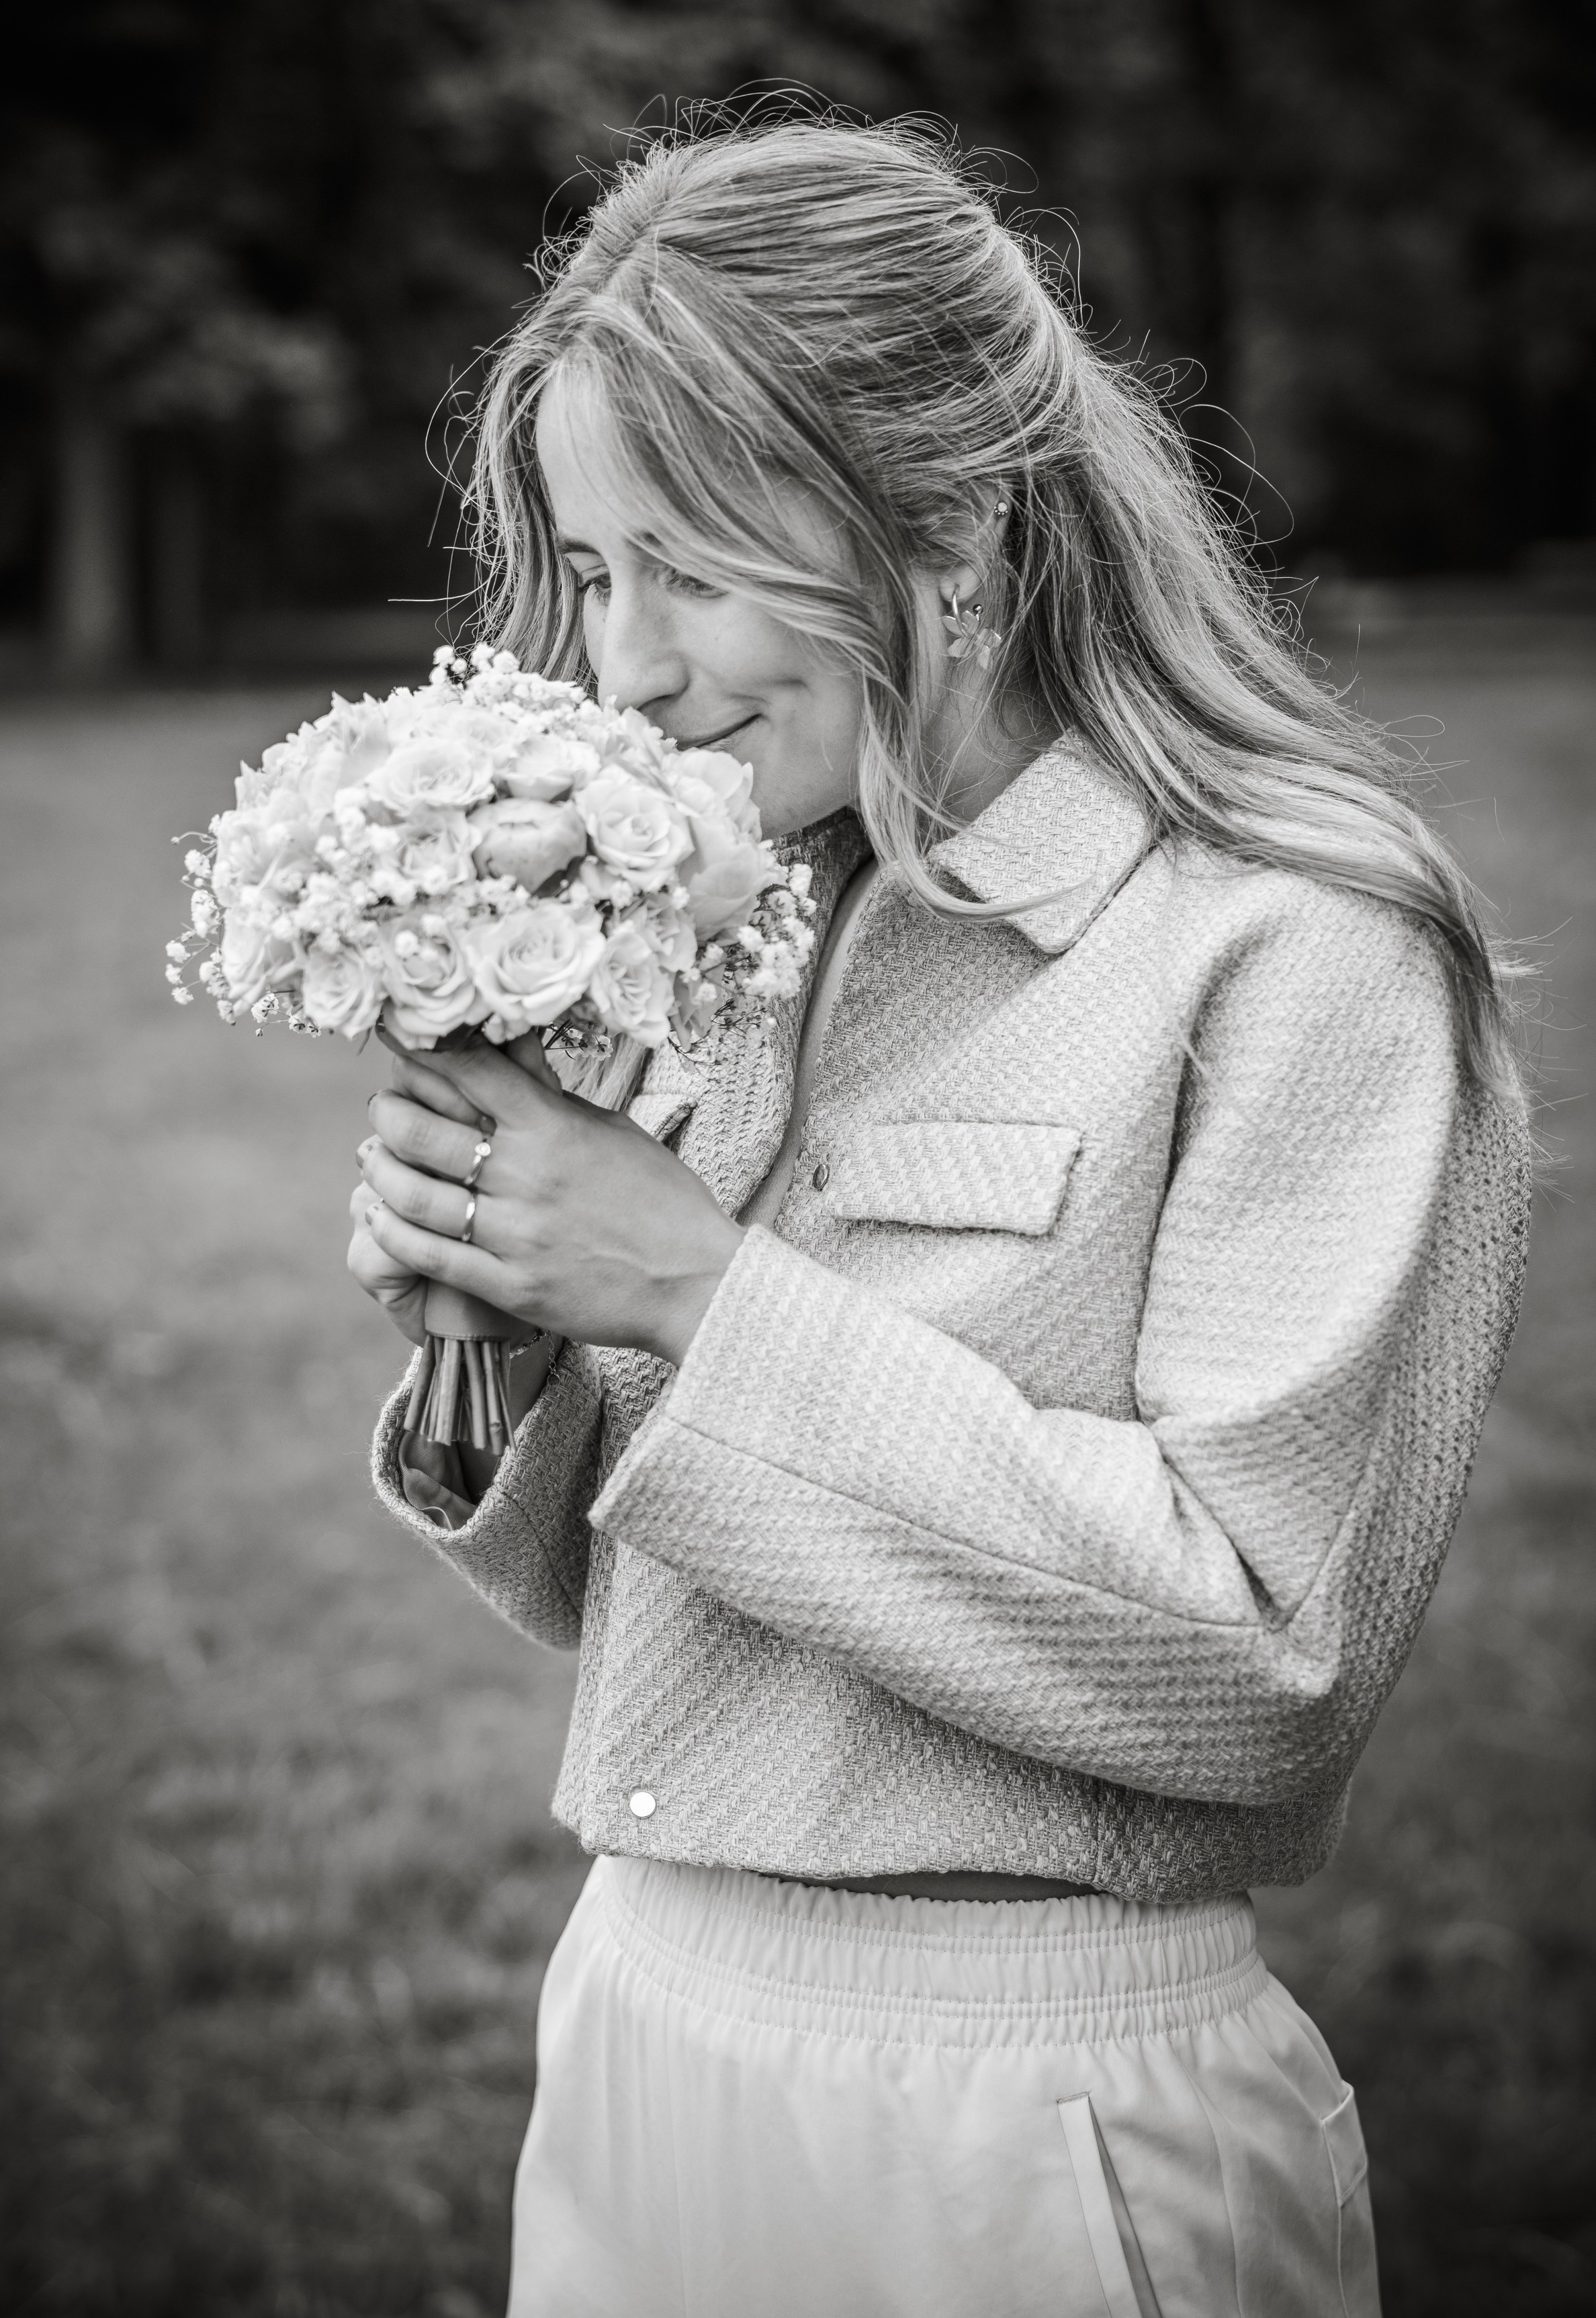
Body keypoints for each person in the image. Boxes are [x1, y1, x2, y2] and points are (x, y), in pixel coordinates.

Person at [346, 116, 1530, 2318]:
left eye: (692, 565)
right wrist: (499, 1322)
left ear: (953, 523)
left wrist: (693, 1290)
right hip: (639, 2036)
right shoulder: (723, 924)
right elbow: (612, 1594)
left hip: (1034, 2115)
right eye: (592, 574)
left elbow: (1268, 1660)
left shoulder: (1297, 948)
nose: (625, 665)